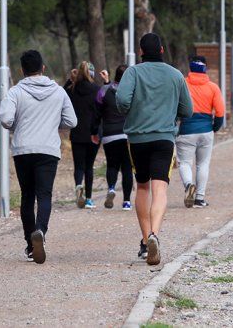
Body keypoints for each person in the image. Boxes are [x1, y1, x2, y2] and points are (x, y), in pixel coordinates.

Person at [116, 33, 193, 265]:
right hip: (164, 139)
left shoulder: (133, 72)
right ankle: (154, 236)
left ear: (141, 52)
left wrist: (132, 112)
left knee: (142, 187)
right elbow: (187, 109)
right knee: (160, 189)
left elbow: (121, 100)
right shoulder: (175, 75)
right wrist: (170, 114)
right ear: (161, 50)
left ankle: (144, 239)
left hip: (137, 139)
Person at [0, 50, 77, 264]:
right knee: (44, 195)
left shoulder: (15, 92)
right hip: (48, 150)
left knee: (27, 196)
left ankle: (30, 244)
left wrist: (17, 125)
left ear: (22, 70)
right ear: (43, 67)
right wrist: (53, 124)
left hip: (23, 149)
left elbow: (5, 118)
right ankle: (40, 231)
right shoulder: (59, 92)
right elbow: (72, 121)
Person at [176, 56, 225, 208]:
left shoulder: (182, 84)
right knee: (203, 164)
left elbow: (174, 105)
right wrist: (214, 127)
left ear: (190, 69)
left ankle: (189, 184)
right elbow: (220, 112)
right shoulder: (213, 87)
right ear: (205, 69)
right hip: (206, 130)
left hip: (186, 129)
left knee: (184, 162)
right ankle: (199, 198)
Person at [91, 64, 133, 210]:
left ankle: (111, 189)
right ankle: (127, 201)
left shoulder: (104, 91)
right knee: (127, 167)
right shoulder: (131, 92)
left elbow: (96, 114)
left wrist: (94, 131)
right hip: (127, 134)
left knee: (112, 164)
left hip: (109, 135)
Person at [65, 61, 101, 209]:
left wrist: (70, 79)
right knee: (89, 166)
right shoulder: (97, 89)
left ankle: (79, 185)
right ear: (92, 74)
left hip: (76, 132)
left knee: (79, 165)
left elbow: (61, 93)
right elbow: (100, 110)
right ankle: (89, 199)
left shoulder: (72, 89)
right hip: (93, 133)